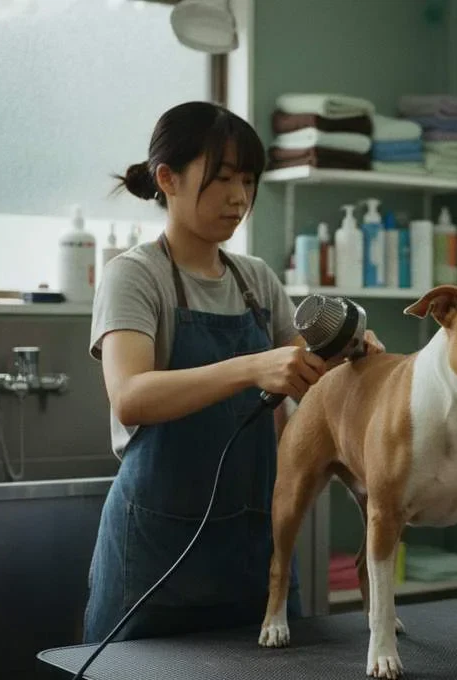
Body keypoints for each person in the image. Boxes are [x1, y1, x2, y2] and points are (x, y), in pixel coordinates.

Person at [82, 101, 383, 643]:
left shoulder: (256, 279)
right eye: (221, 179)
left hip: (254, 547)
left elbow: (307, 373)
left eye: (247, 180)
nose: (239, 197)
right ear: (168, 179)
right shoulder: (134, 276)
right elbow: (130, 396)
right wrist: (251, 368)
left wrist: (349, 356)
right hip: (157, 553)